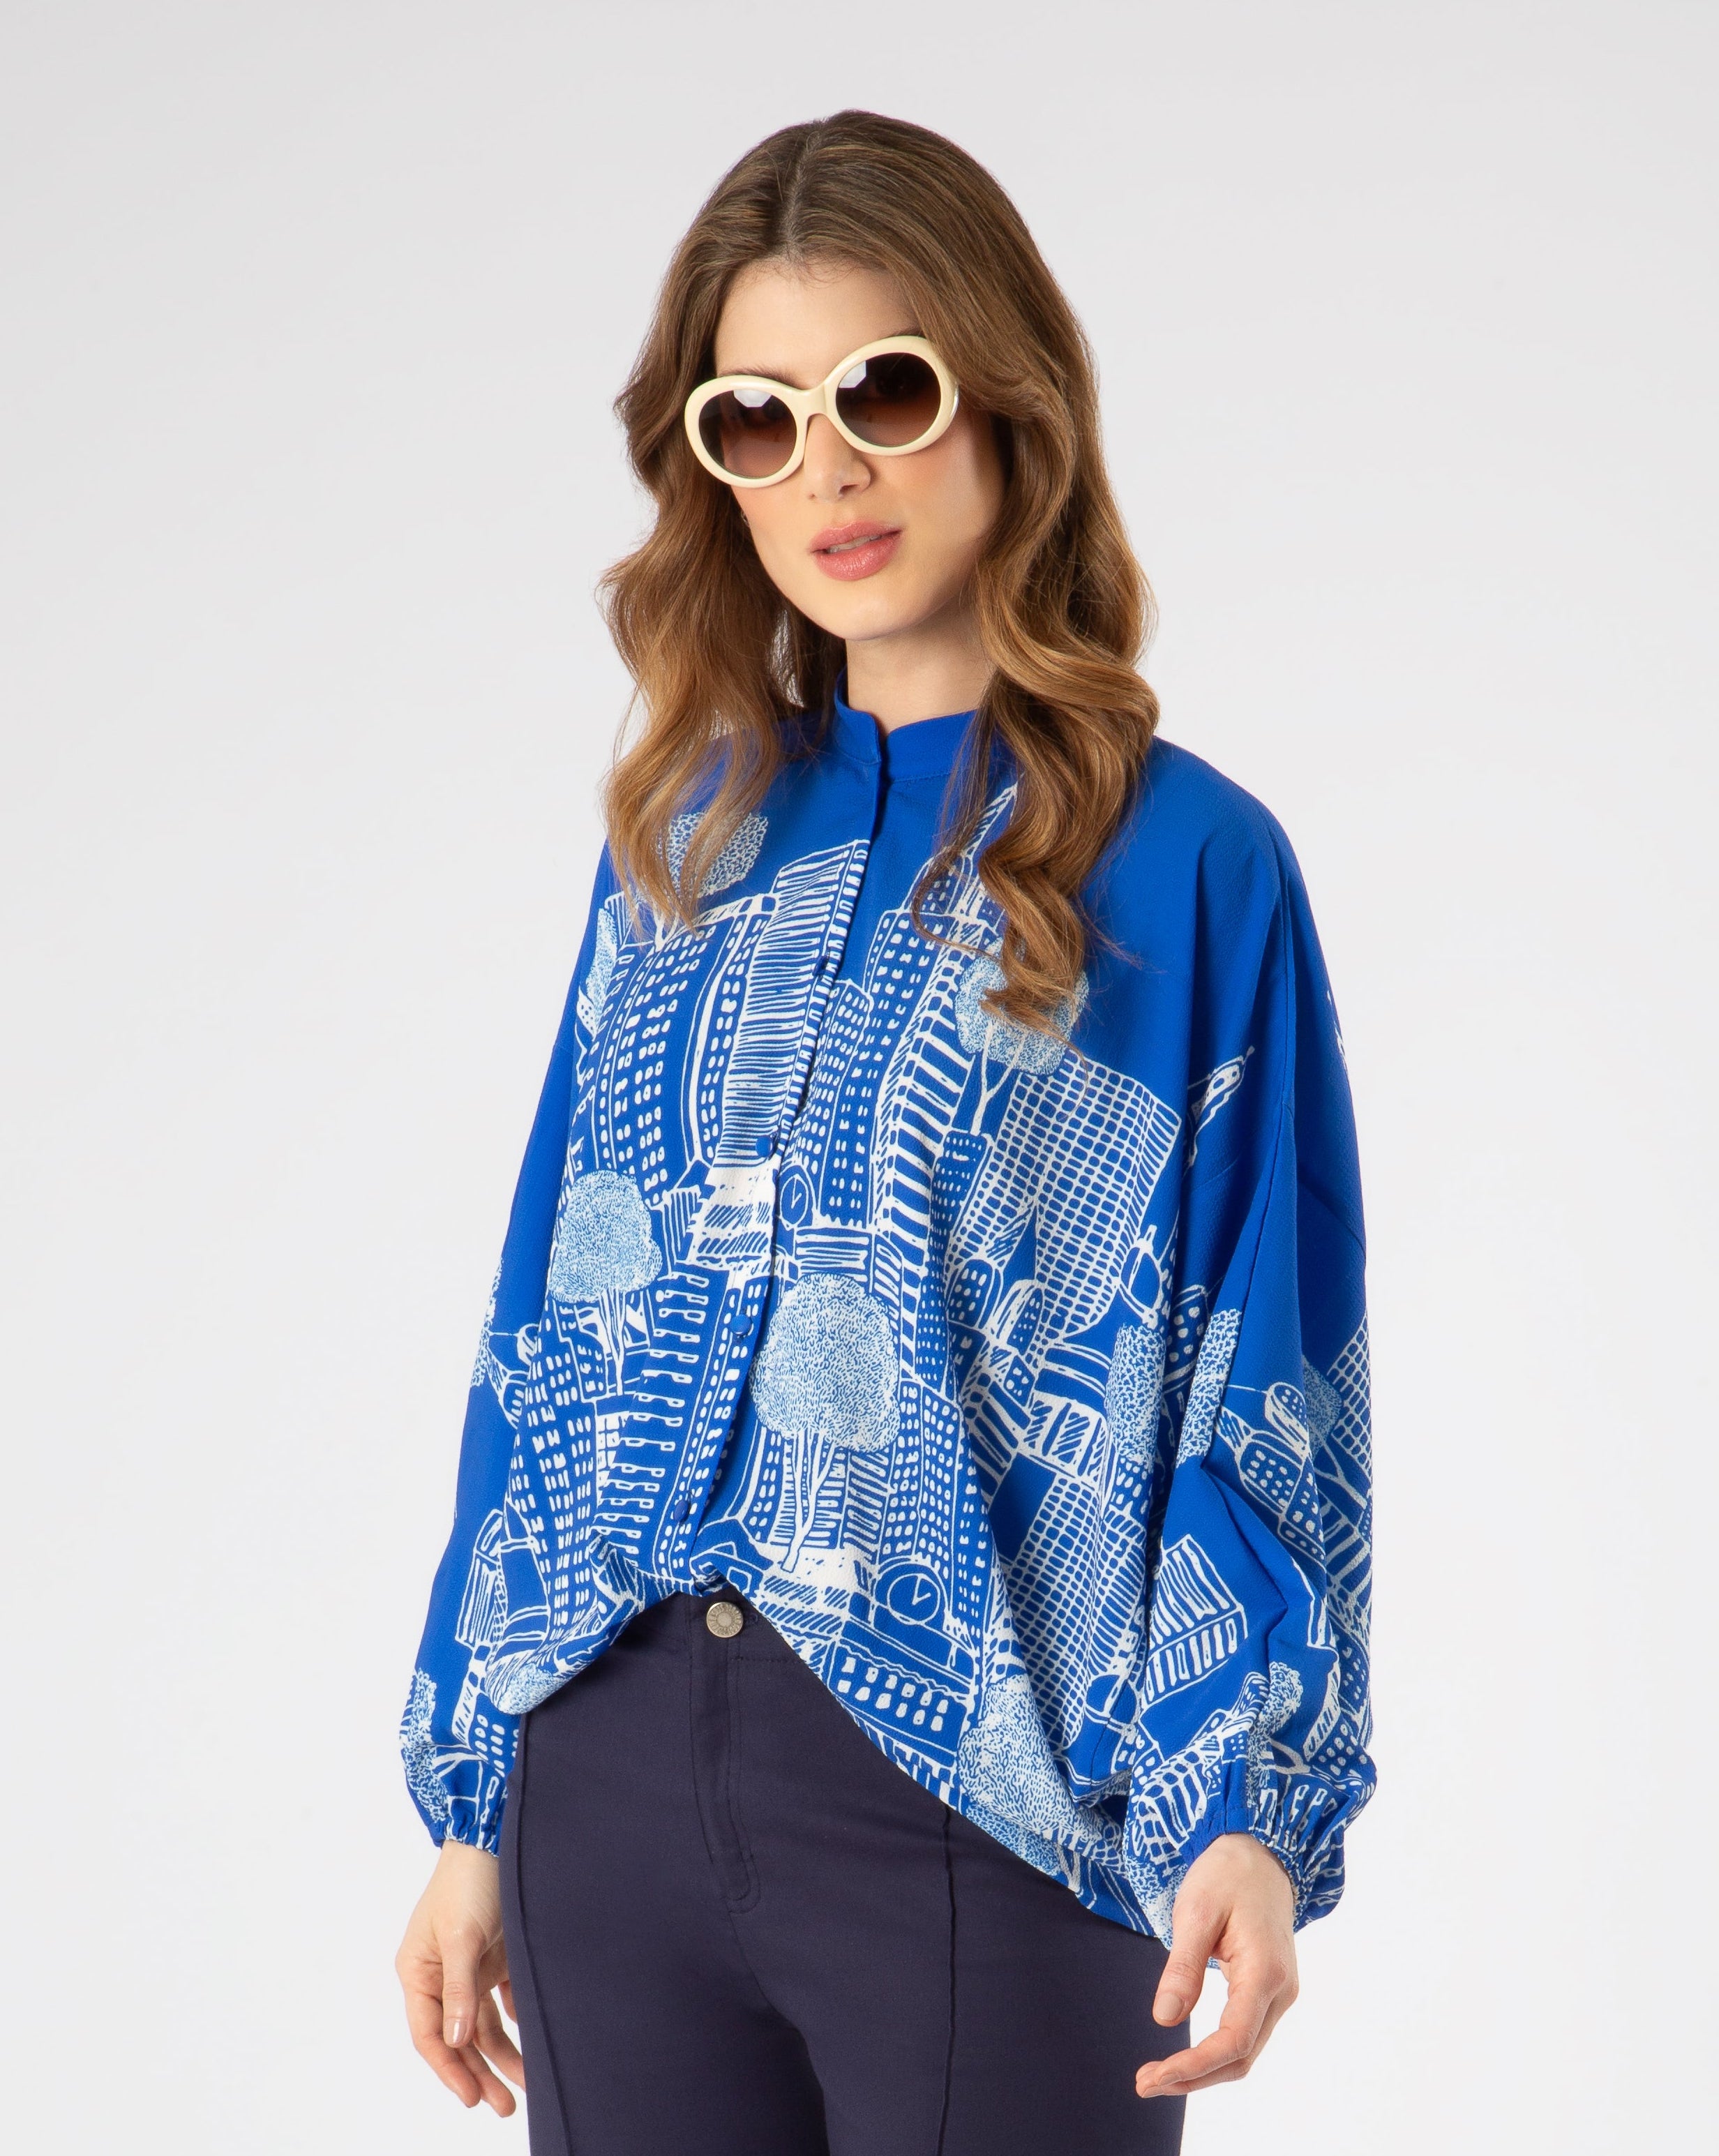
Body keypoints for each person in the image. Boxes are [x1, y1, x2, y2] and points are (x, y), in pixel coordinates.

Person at [393, 110, 1374, 2156]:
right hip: (609, 1787)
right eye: (758, 418)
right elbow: (552, 1325)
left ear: (1010, 404)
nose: (828, 469)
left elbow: (1261, 1352)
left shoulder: (1186, 863)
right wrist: (478, 1798)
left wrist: (1242, 1802)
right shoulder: (682, 843)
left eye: (886, 393)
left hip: (989, 1798)